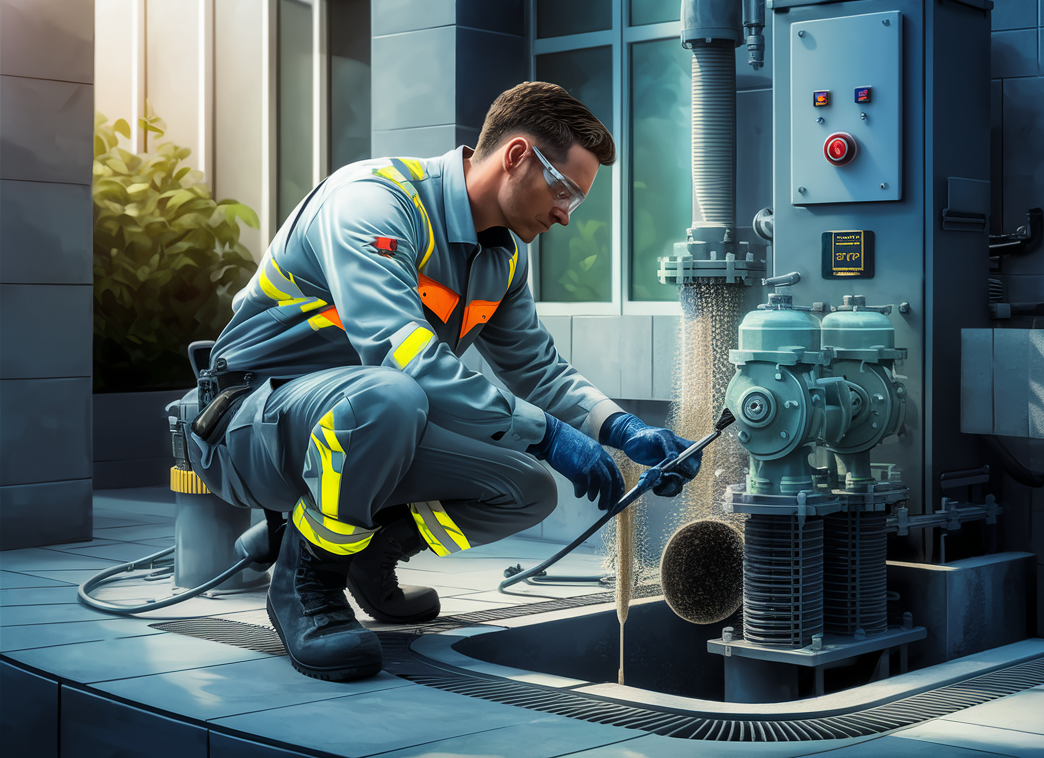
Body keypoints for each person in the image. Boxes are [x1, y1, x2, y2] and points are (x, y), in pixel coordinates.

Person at [186, 82, 701, 682]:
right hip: (250, 420)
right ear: (516, 156)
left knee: (528, 489)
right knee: (390, 395)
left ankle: (367, 555)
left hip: (365, 422)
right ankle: (306, 583)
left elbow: (536, 367)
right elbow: (400, 355)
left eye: (577, 202)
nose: (565, 214)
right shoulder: (374, 203)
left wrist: (621, 427)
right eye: (564, 191)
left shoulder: (501, 256)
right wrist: (548, 435)